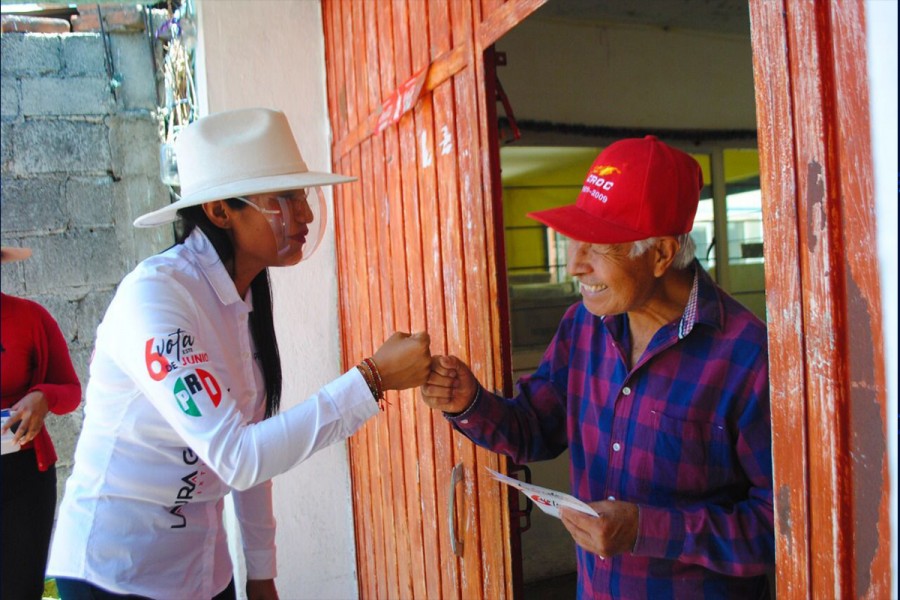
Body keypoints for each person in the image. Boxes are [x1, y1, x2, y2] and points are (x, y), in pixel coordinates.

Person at [46, 108, 432, 600]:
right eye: (284, 199)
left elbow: (252, 444)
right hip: (117, 572)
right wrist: (371, 379)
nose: (306, 214)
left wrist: (262, 571)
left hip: (202, 571)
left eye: (302, 196)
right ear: (220, 212)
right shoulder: (157, 298)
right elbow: (238, 458)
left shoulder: (243, 296)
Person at [421, 136, 774, 599]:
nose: (574, 265)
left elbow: (778, 526)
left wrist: (648, 530)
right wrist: (469, 402)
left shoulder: (748, 357)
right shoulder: (584, 328)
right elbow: (534, 429)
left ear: (663, 253)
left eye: (599, 246)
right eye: (572, 241)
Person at [1, 245, 83, 600]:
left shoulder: (31, 318)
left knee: (19, 588)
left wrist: (43, 396)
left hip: (23, 474)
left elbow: (71, 391)